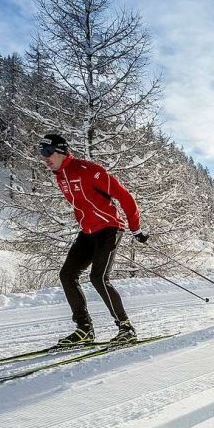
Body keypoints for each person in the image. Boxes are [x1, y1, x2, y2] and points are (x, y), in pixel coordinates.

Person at [39, 134, 149, 346]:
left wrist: (136, 229)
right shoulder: (60, 176)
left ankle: (126, 328)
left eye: (47, 152)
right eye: (41, 153)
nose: (44, 158)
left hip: (109, 228)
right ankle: (84, 329)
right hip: (88, 232)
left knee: (98, 278)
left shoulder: (90, 170)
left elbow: (125, 197)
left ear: (61, 151)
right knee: (67, 275)